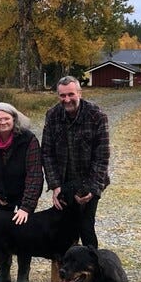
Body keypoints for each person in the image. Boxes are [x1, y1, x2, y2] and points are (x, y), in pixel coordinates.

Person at [0, 102, 44, 282]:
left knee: (24, 234)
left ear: (15, 119)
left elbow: (35, 174)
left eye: (7, 118)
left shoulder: (28, 139)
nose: (3, 122)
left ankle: (23, 275)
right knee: (2, 234)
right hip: (1, 197)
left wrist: (27, 206)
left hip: (24, 196)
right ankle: (4, 273)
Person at [41, 75, 110, 249]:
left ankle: (92, 268)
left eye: (71, 94)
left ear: (79, 92)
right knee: (64, 228)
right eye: (62, 95)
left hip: (89, 180)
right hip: (64, 183)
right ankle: (67, 271)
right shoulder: (52, 115)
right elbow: (47, 153)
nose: (67, 99)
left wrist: (92, 189)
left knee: (86, 226)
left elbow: (102, 156)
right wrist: (55, 185)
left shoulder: (97, 115)